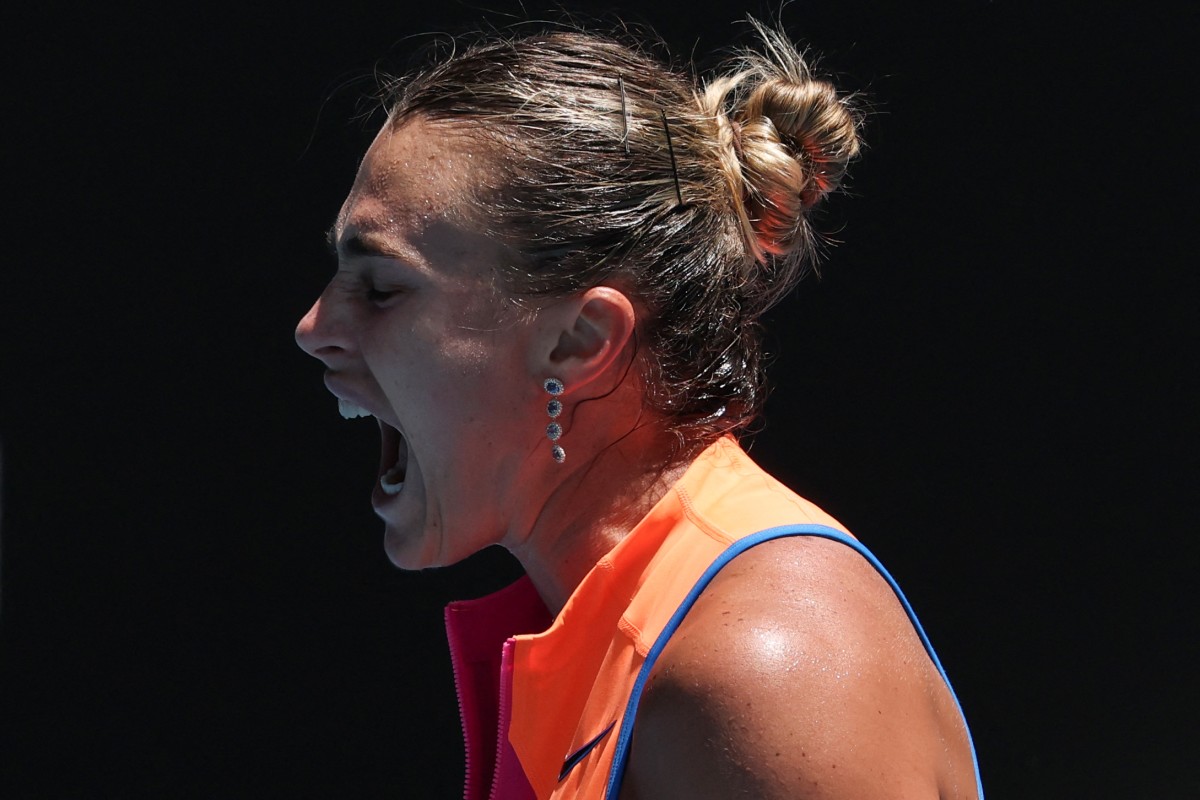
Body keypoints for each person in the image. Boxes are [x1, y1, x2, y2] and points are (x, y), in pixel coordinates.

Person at [295, 18, 983, 800]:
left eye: (381, 288)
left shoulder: (762, 664)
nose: (314, 328)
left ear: (580, 342)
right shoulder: (626, 631)